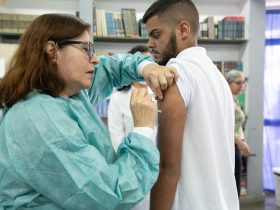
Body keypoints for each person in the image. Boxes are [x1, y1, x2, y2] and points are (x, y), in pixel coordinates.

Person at [0, 13, 178, 210]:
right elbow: (109, 195)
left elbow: (111, 68)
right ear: (52, 50)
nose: (94, 59)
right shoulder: (38, 120)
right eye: (86, 49)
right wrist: (143, 129)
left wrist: (146, 67)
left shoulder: (67, 91)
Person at [142, 0, 239, 209]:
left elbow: (167, 168)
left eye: (156, 34)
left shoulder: (178, 73)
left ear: (183, 29)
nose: (149, 43)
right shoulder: (217, 76)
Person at [108, 45, 155, 210]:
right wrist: (132, 164)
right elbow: (116, 138)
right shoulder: (117, 98)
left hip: (159, 166)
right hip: (132, 167)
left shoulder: (161, 94)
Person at [225, 69, 250, 197]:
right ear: (228, 83)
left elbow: (237, 127)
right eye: (238, 83)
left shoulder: (234, 100)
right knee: (234, 187)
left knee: (236, 184)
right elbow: (226, 127)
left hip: (236, 145)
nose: (242, 86)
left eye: (243, 83)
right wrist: (239, 142)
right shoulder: (227, 101)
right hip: (231, 146)